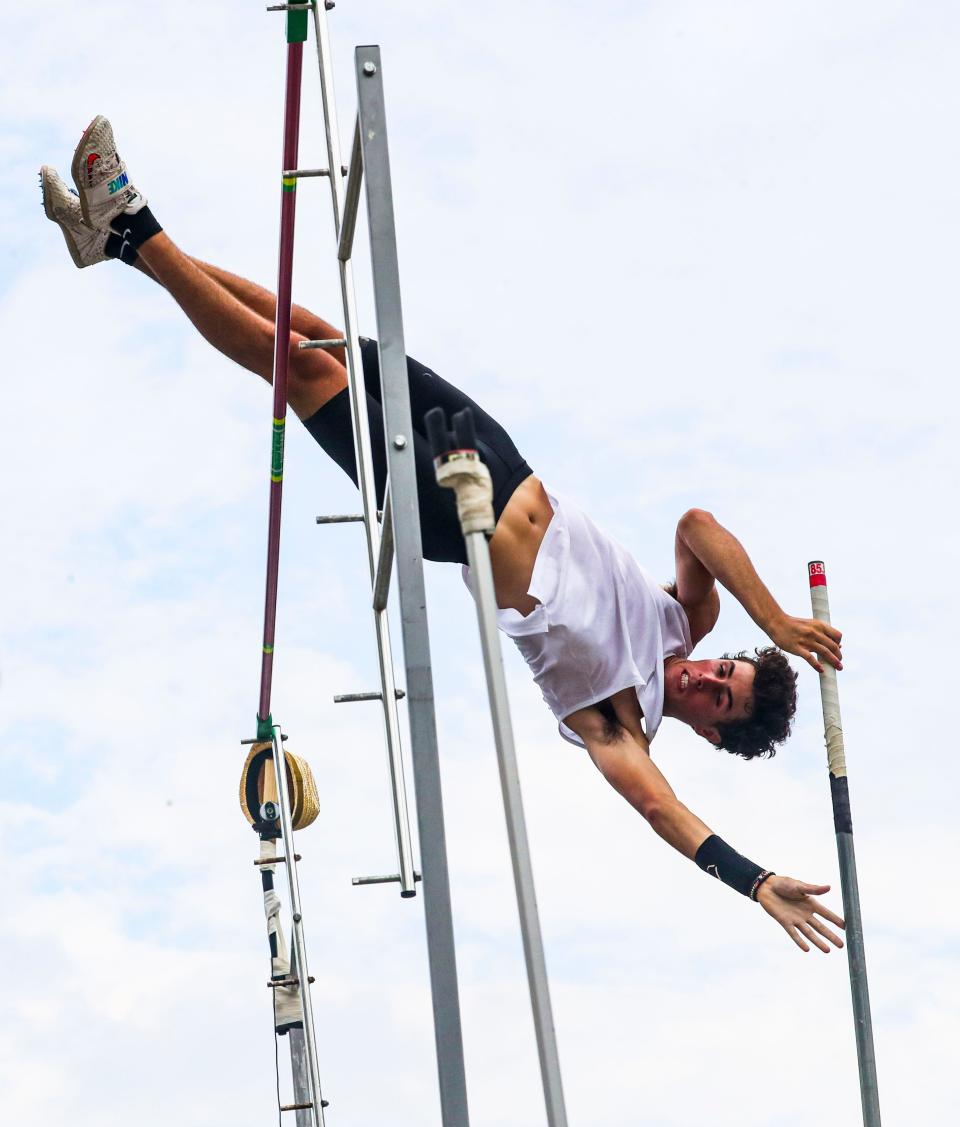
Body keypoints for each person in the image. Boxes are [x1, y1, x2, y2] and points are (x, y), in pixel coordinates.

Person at [42, 116, 847, 954]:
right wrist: (776, 623)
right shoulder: (689, 621)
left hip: (452, 517)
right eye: (729, 671)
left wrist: (754, 880)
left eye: (720, 698)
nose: (710, 678)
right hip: (504, 457)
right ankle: (117, 247)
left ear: (711, 730)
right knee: (320, 332)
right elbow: (698, 527)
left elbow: (662, 811)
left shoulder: (617, 725)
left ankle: (132, 221)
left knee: (307, 373)